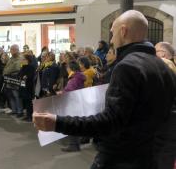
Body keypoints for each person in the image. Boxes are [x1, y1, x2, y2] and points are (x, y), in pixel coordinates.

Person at [33, 10, 176, 169]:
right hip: (153, 158)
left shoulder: (127, 66)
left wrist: (58, 123)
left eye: (113, 33)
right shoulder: (164, 68)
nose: (112, 39)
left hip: (123, 159)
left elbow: (111, 122)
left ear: (123, 31)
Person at [60, 60, 86, 152]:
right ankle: (76, 144)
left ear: (71, 69)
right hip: (78, 103)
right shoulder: (79, 77)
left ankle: (73, 145)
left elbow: (69, 91)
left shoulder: (74, 79)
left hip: (73, 104)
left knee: (72, 124)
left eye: (67, 68)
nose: (66, 70)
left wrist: (61, 93)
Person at [3, 44, 23, 117]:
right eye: (11, 50)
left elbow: (16, 68)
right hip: (9, 79)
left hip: (15, 79)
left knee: (16, 96)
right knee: (11, 95)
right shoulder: (11, 58)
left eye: (12, 50)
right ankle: (14, 110)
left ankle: (19, 111)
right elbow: (7, 67)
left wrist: (7, 70)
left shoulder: (20, 58)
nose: (10, 51)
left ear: (16, 50)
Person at [19, 54, 36, 122]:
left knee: (29, 102)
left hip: (29, 87)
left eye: (23, 59)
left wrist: (26, 76)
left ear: (27, 60)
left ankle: (30, 116)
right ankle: (27, 115)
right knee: (25, 101)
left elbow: (31, 76)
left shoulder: (31, 67)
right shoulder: (23, 67)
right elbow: (20, 74)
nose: (21, 60)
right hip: (23, 86)